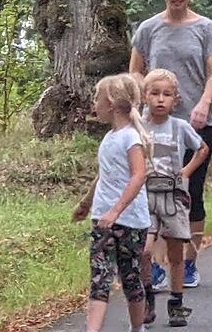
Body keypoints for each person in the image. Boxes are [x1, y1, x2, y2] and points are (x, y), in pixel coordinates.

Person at [130, 0, 212, 288]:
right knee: (153, 195)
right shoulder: (148, 29)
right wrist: (151, 96)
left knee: (190, 194)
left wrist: (203, 103)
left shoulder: (206, 28)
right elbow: (135, 71)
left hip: (197, 123)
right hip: (155, 126)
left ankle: (188, 264)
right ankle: (155, 266)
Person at [71, 74, 152, 332]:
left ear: (112, 103)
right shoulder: (109, 138)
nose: (93, 103)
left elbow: (139, 175)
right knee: (100, 278)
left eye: (97, 98)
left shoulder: (131, 137)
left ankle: (137, 328)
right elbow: (104, 175)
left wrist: (116, 210)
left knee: (130, 279)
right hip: (103, 220)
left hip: (130, 221)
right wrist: (86, 204)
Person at [140, 69, 209, 327]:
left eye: (166, 95)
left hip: (174, 196)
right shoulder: (139, 127)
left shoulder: (179, 127)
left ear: (175, 99)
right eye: (154, 93)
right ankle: (147, 298)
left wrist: (186, 172)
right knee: (144, 250)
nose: (160, 99)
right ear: (144, 96)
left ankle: (177, 303)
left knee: (175, 252)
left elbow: (202, 148)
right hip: (145, 195)